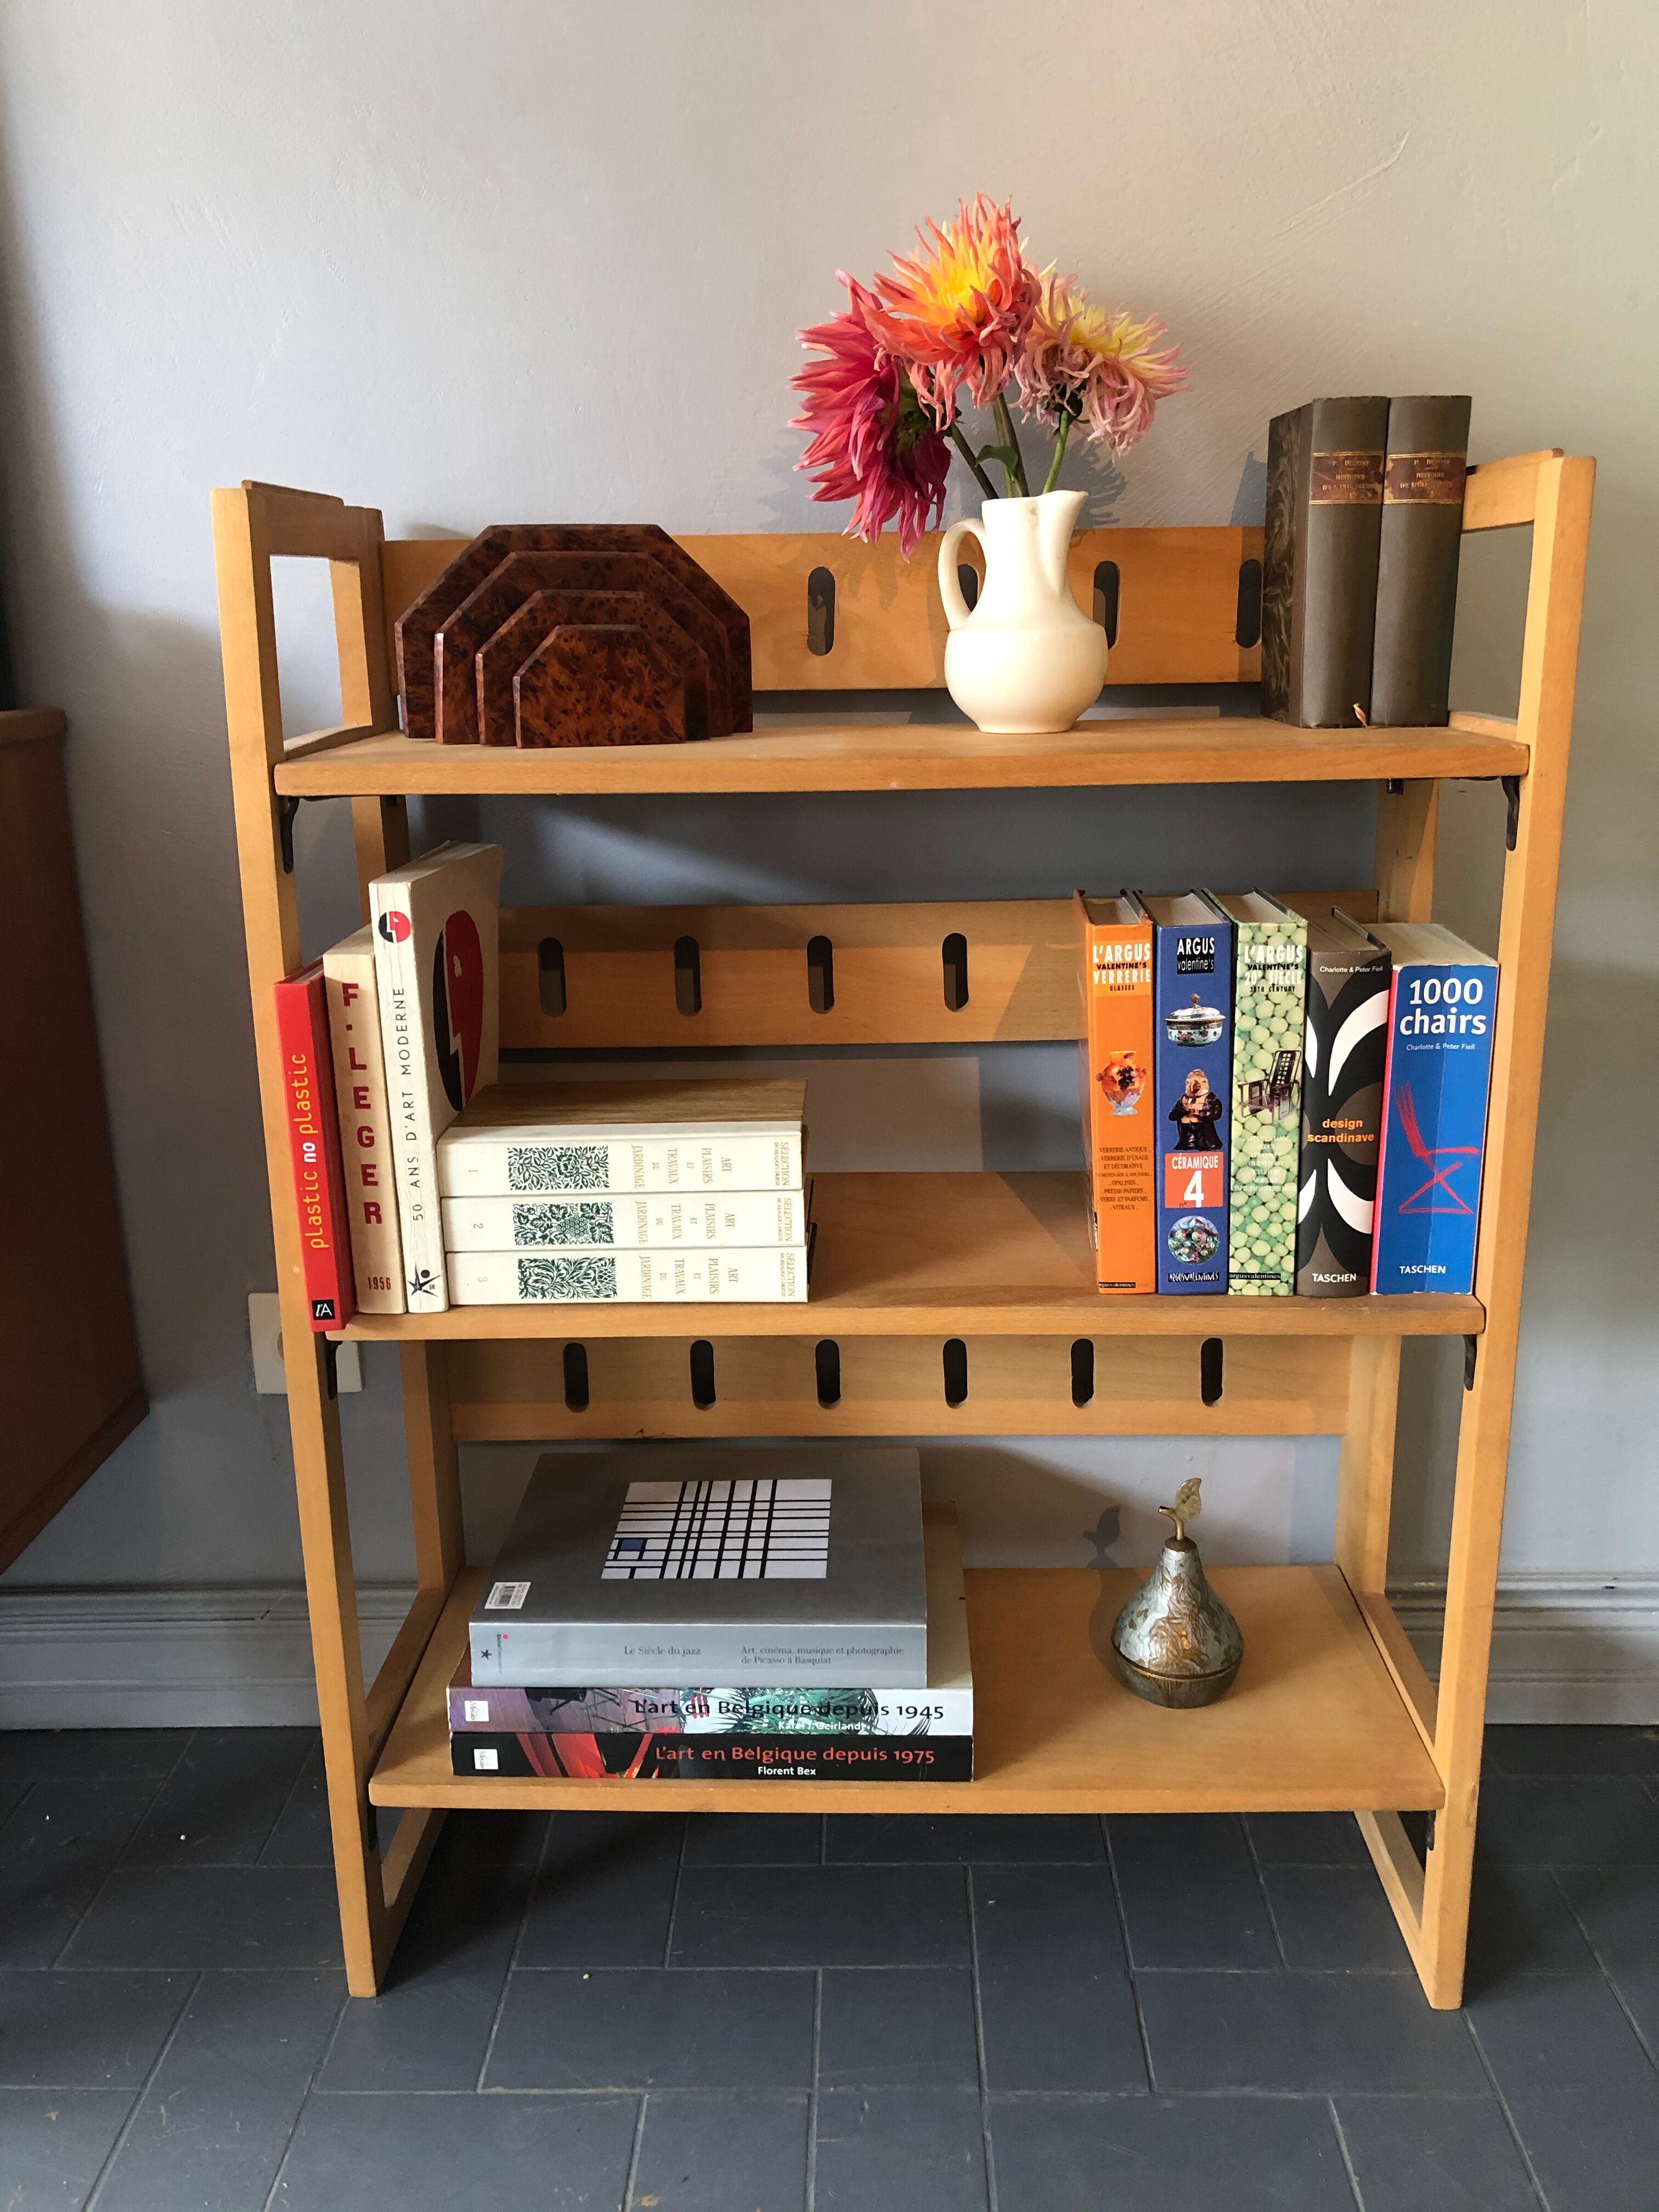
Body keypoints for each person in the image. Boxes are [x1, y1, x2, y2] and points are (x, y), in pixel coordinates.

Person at [1169, 1067, 1223, 1152]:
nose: (1193, 1086)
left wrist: (1200, 1113)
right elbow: (1172, 1116)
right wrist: (1184, 1110)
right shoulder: (1183, 1100)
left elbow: (1216, 1114)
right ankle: (1188, 1144)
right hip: (1186, 1132)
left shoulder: (1210, 1099)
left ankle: (1204, 1145)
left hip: (1204, 1135)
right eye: (1189, 1083)